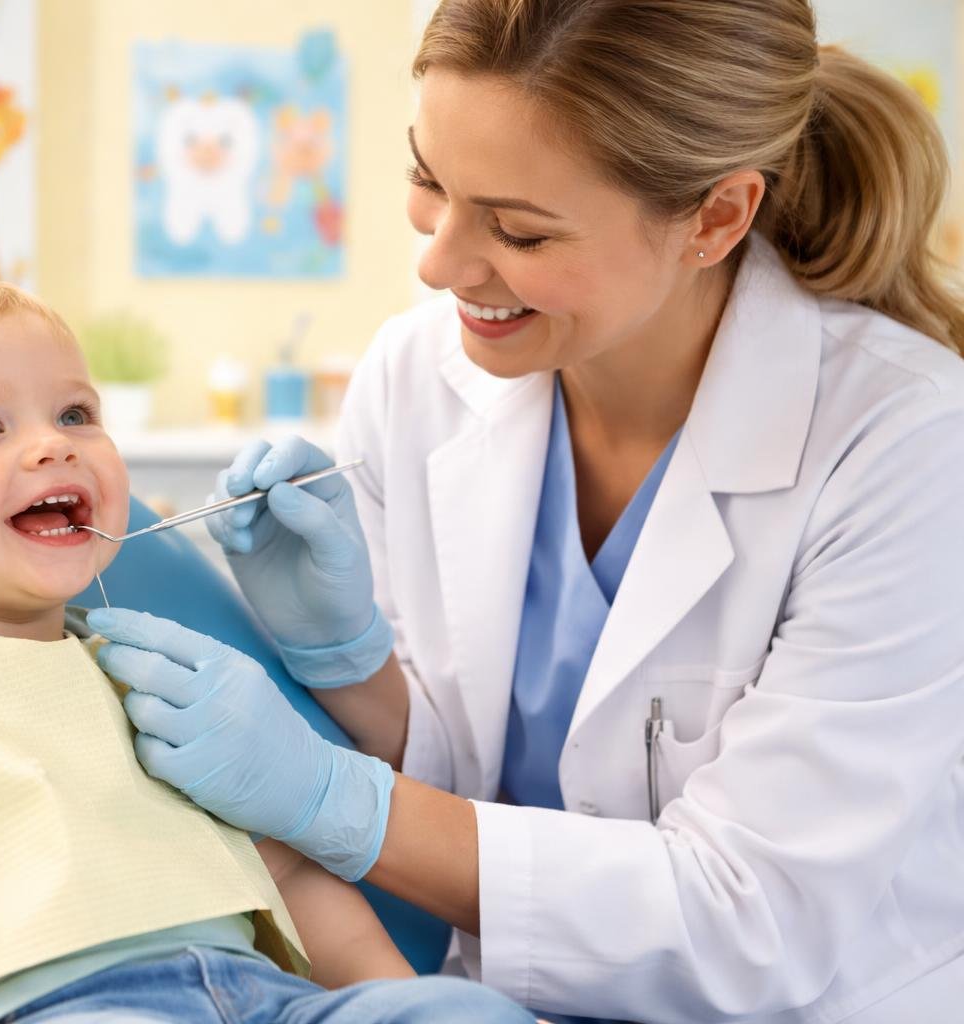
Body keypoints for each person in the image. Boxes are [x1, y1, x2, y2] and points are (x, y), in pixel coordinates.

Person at [91, 2, 964, 1021]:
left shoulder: (904, 442)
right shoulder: (418, 374)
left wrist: (332, 798)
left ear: (718, 218)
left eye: (518, 229)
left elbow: (750, 921)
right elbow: (473, 769)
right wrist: (352, 664)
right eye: (429, 181)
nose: (440, 263)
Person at [0, 278, 535, 1024]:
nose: (51, 445)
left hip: (270, 999)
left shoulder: (156, 680)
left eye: (75, 414)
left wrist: (394, 999)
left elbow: (287, 879)